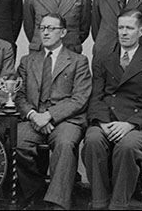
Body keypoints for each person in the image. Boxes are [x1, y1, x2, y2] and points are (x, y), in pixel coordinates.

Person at [82, 10, 142, 210]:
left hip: (138, 125)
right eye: (121, 27)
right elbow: (96, 96)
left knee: (127, 146)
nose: (124, 33)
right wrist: (102, 122)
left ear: (141, 31)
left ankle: (118, 205)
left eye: (129, 28)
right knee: (92, 140)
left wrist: (129, 124)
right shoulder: (103, 58)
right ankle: (99, 201)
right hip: (106, 121)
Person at [15, 13, 92, 210]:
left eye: (51, 28)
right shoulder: (27, 61)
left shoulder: (78, 61)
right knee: (16, 142)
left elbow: (80, 98)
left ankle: (57, 203)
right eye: (43, 28)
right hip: (34, 118)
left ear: (63, 32)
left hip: (66, 120)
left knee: (65, 144)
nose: (46, 32)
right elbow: (19, 95)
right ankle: (36, 191)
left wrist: (49, 115)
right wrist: (34, 115)